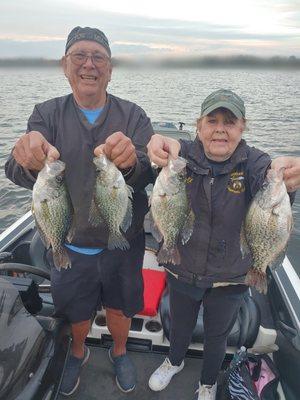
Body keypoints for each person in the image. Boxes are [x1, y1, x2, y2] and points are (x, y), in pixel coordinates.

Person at [5, 26, 154, 396]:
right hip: (68, 243)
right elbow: (17, 171)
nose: (89, 64)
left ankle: (120, 352)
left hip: (123, 241)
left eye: (98, 57)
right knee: (76, 310)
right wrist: (26, 158)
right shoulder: (46, 114)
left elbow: (147, 173)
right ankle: (77, 350)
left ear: (110, 67)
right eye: (80, 56)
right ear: (64, 65)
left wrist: (132, 163)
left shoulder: (133, 115)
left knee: (120, 309)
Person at [147, 89, 300, 400]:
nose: (220, 128)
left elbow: (269, 186)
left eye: (229, 122)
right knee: (179, 326)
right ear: (199, 126)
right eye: (212, 120)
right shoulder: (183, 158)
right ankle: (173, 361)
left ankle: (208, 382)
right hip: (183, 270)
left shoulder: (255, 163)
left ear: (242, 127)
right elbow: (166, 153)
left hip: (231, 277)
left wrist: (282, 174)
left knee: (217, 337)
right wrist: (161, 147)